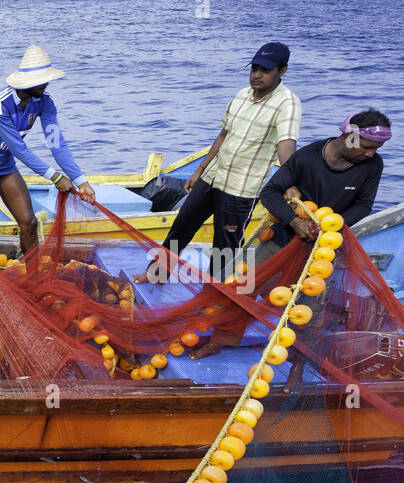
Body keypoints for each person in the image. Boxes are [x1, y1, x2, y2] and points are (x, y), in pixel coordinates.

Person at [138, 42, 300, 284]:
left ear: (282, 70)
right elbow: (224, 135)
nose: (256, 75)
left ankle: (214, 295)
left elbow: (286, 145)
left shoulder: (288, 103)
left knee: (224, 246)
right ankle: (158, 273)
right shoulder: (242, 95)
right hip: (212, 177)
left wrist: (290, 182)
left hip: (241, 189)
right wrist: (201, 169)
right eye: (254, 68)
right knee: (180, 227)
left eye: (265, 70)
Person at [259, 110, 390, 387]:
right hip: (283, 237)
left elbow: (364, 204)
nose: (371, 154)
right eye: (367, 147)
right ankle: (223, 339)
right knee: (246, 285)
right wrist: (294, 221)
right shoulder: (308, 156)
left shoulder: (372, 166)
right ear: (349, 136)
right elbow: (270, 192)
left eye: (376, 149)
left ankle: (297, 367)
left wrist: (334, 224)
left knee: (312, 310)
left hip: (324, 246)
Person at [0, 46, 94, 263]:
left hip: (5, 165)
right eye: (42, 80)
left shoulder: (45, 101)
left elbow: (56, 143)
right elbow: (19, 149)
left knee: (29, 222)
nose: (47, 84)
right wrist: (56, 176)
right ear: (28, 81)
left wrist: (81, 181)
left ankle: (34, 279)